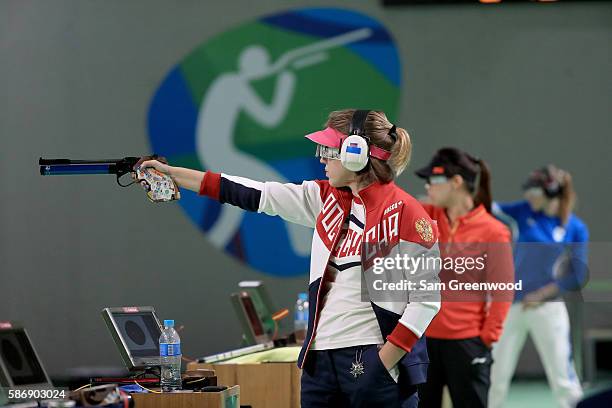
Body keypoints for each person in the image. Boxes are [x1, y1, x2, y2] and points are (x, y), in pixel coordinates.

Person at [137, 109, 441, 407]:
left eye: (327, 148)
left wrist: (384, 361)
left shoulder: (404, 212)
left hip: (372, 358)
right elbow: (249, 192)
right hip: (320, 360)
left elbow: (425, 301)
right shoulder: (325, 198)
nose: (320, 158)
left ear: (355, 153)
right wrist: (172, 173)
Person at [414, 148, 514, 408]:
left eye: (433, 181)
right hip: (423, 340)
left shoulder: (494, 231)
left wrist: (486, 339)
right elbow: (392, 203)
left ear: (456, 182)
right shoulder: (425, 217)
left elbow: (503, 290)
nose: (427, 187)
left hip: (468, 344)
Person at [488, 165, 587, 408]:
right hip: (510, 305)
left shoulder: (575, 227)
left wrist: (543, 294)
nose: (529, 196)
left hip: (548, 308)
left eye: (536, 191)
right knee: (495, 376)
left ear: (551, 192)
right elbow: (484, 207)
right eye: (528, 191)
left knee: (563, 379)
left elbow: (577, 274)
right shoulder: (521, 212)